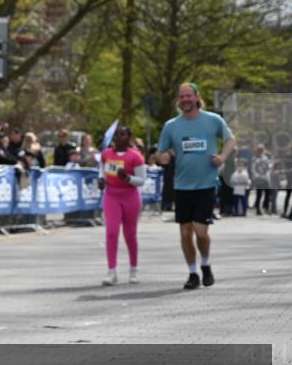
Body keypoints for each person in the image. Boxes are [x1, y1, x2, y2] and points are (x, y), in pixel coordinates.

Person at [156, 83, 235, 290]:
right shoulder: (171, 126)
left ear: (196, 97)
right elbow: (160, 152)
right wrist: (162, 157)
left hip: (206, 184)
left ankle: (206, 264)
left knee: (200, 231)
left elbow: (230, 139)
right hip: (182, 185)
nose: (185, 100)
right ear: (178, 100)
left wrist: (223, 157)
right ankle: (192, 273)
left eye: (188, 96)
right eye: (181, 96)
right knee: (184, 232)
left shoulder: (212, 120)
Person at [98, 125, 146, 285]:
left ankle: (134, 269)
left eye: (123, 134)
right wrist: (101, 180)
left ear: (129, 137)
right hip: (112, 195)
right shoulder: (106, 154)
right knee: (111, 233)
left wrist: (127, 178)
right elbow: (102, 171)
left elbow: (141, 180)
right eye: (116, 135)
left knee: (130, 235)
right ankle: (111, 272)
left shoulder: (135, 156)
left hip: (130, 196)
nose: (118, 137)